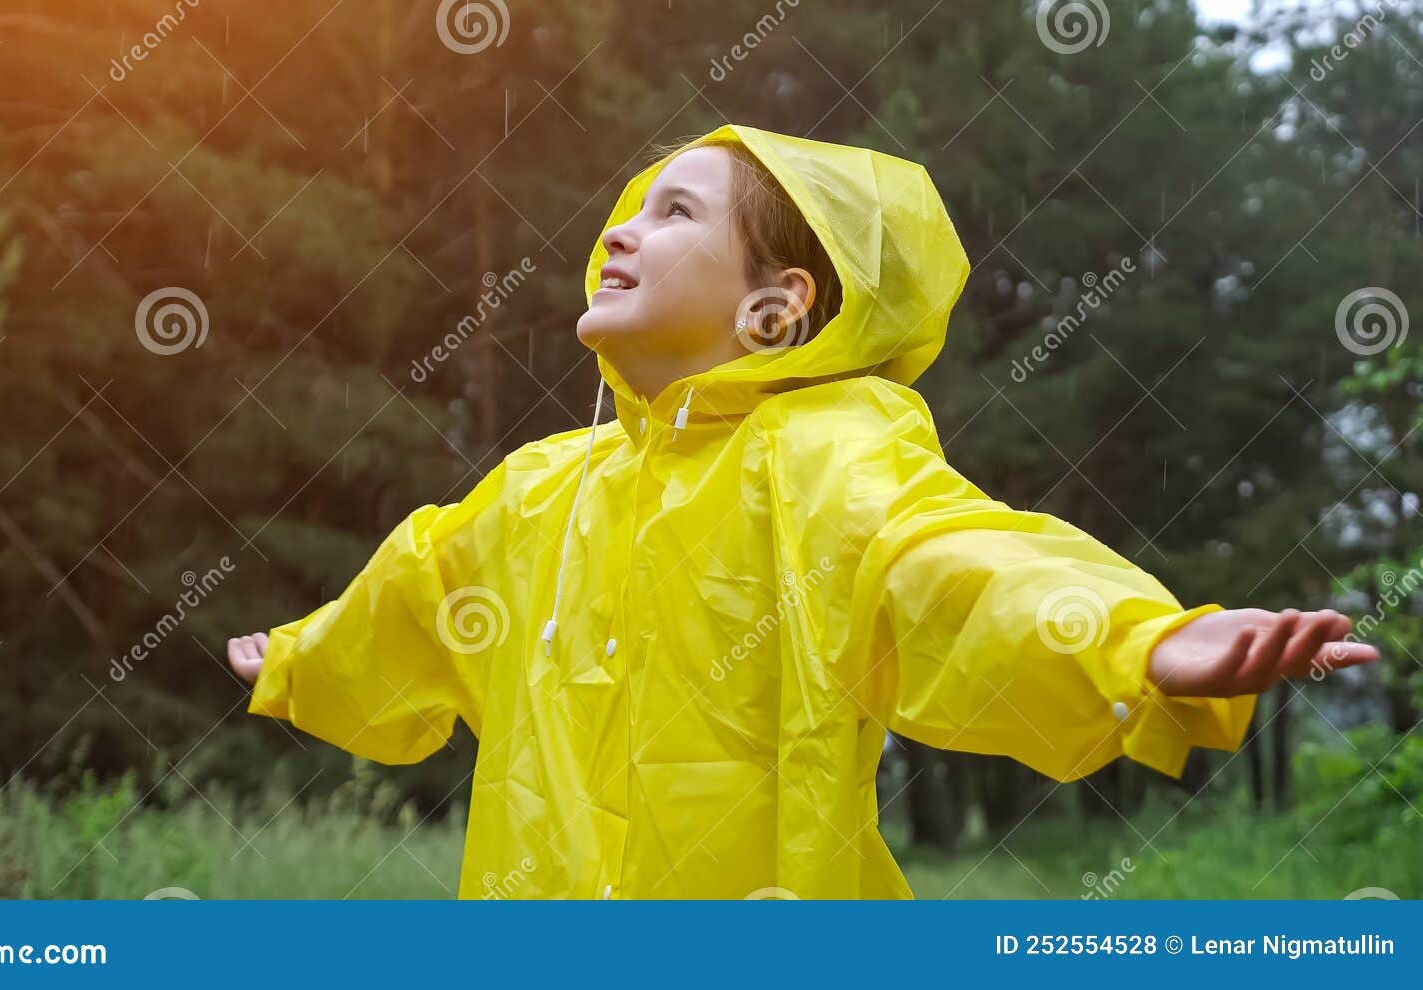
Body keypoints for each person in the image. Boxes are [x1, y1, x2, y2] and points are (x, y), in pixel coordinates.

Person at [226, 123, 1380, 899]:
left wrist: (1134, 638)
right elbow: (421, 590)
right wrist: (300, 656)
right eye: (625, 212)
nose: (617, 233)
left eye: (673, 213)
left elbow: (944, 561)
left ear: (777, 308)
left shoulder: (827, 454)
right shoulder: (541, 490)